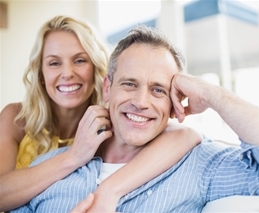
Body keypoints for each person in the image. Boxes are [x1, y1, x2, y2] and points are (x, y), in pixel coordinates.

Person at [12, 25, 259, 213]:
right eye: (129, 83)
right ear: (107, 88)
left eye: (158, 89)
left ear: (175, 100)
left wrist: (214, 95)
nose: (141, 102)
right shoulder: (48, 168)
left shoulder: (199, 166)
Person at [0, 16, 202, 212]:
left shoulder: (116, 118)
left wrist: (109, 192)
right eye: (54, 63)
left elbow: (184, 135)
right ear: (41, 72)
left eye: (79, 60)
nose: (67, 73)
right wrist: (73, 157)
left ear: (96, 67)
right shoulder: (16, 117)